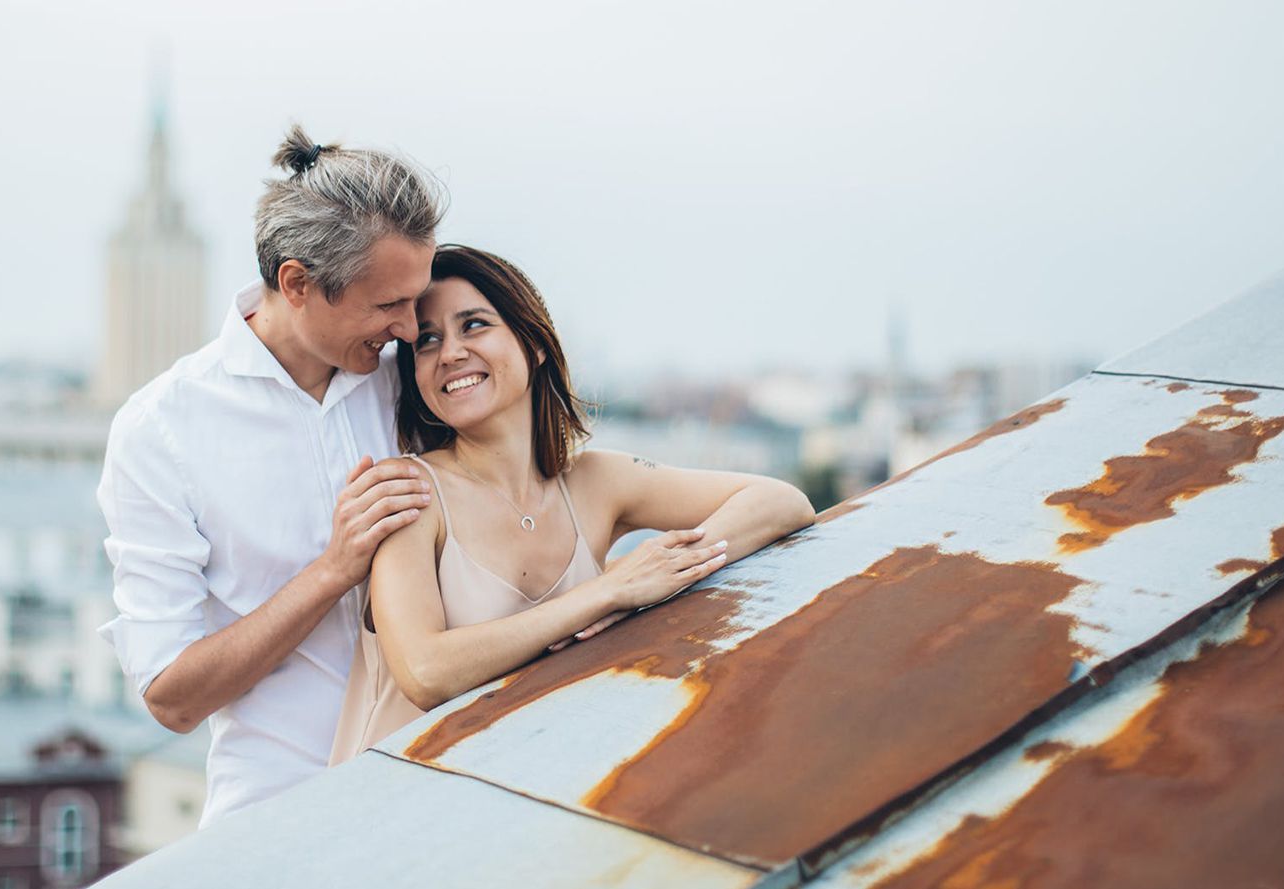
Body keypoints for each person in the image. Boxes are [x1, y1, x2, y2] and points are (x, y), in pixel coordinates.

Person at [330, 245, 817, 763]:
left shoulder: (594, 480)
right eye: (427, 341)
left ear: (534, 343)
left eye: (473, 325)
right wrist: (607, 593)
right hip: (385, 813)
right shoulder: (407, 492)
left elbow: (781, 501)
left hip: (523, 788)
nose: (449, 352)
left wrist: (662, 574)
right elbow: (426, 673)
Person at [98, 125, 445, 825]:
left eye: (417, 299)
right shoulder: (160, 431)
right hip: (281, 824)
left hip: (440, 802)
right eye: (387, 306)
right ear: (297, 283)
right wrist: (333, 567)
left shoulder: (418, 385)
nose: (411, 328)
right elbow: (171, 697)